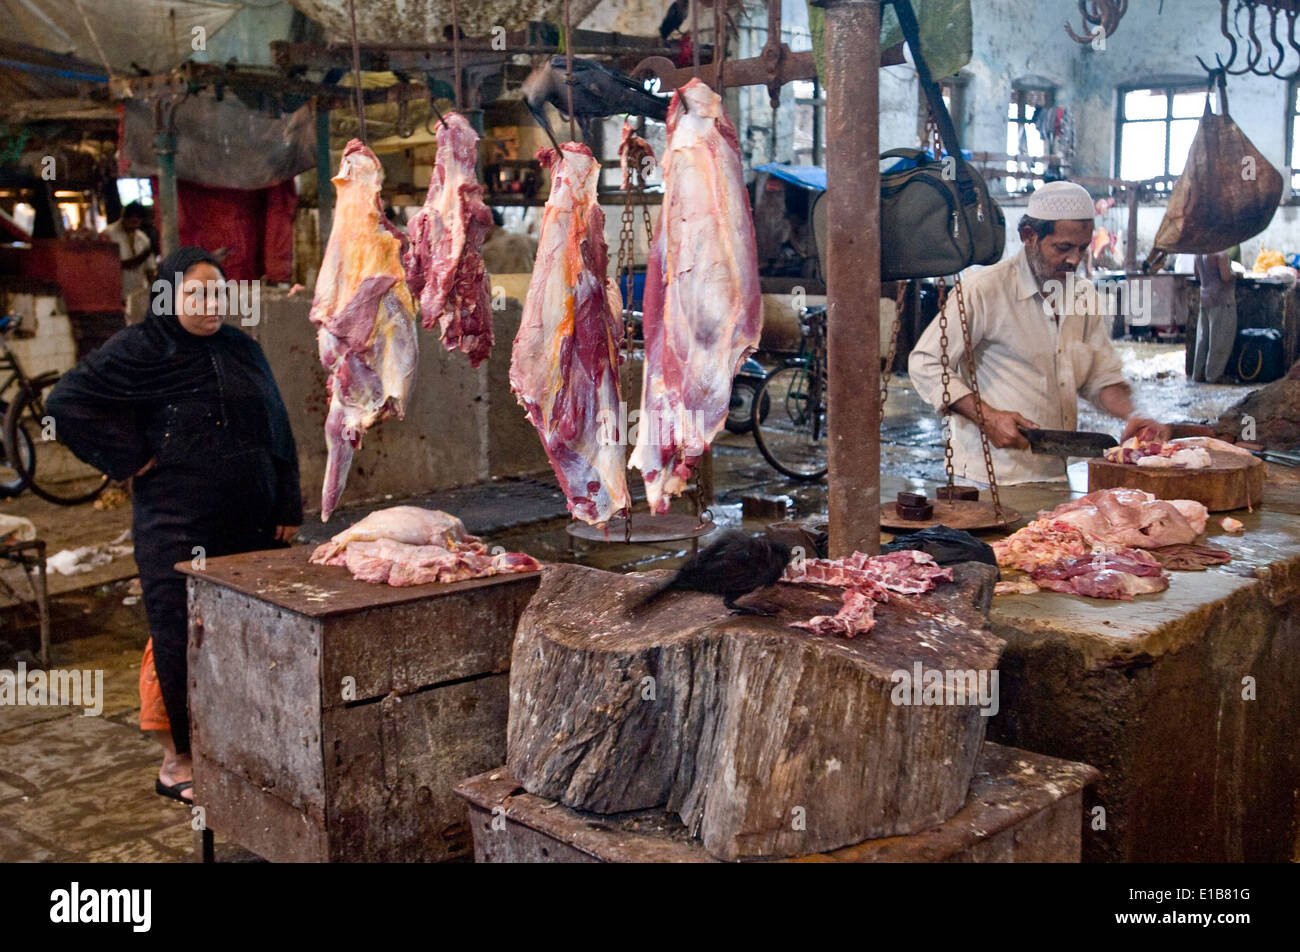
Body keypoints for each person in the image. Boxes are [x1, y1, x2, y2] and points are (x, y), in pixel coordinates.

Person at [46, 248, 302, 803]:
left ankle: (238, 746)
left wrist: (287, 502)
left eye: (218, 293)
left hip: (252, 522)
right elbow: (64, 404)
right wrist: (130, 458)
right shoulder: (140, 349)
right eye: (196, 294)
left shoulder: (241, 348)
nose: (212, 305)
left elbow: (276, 424)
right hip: (178, 526)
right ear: (167, 296)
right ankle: (179, 761)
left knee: (250, 633)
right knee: (180, 637)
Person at [909, 180, 1169, 484]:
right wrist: (988, 417)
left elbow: (1102, 378)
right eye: (1063, 248)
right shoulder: (984, 290)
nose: (1074, 259)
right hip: (989, 479)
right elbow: (926, 363)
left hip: (1054, 475)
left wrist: (1134, 413)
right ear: (1029, 236)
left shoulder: (1083, 295)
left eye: (1082, 248)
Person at [102, 202, 156, 325]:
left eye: (138, 220)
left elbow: (149, 268)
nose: (135, 222)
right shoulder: (108, 234)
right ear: (124, 217)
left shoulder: (143, 238)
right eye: (132, 219)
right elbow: (106, 265)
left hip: (137, 292)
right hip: (115, 292)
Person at [1191, 251, 1237, 384]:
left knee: (1203, 340)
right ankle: (1213, 375)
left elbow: (1197, 275)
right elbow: (1226, 277)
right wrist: (1236, 274)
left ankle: (1198, 374)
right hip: (1222, 300)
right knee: (1219, 341)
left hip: (1205, 298)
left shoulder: (1198, 253)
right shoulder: (1221, 254)